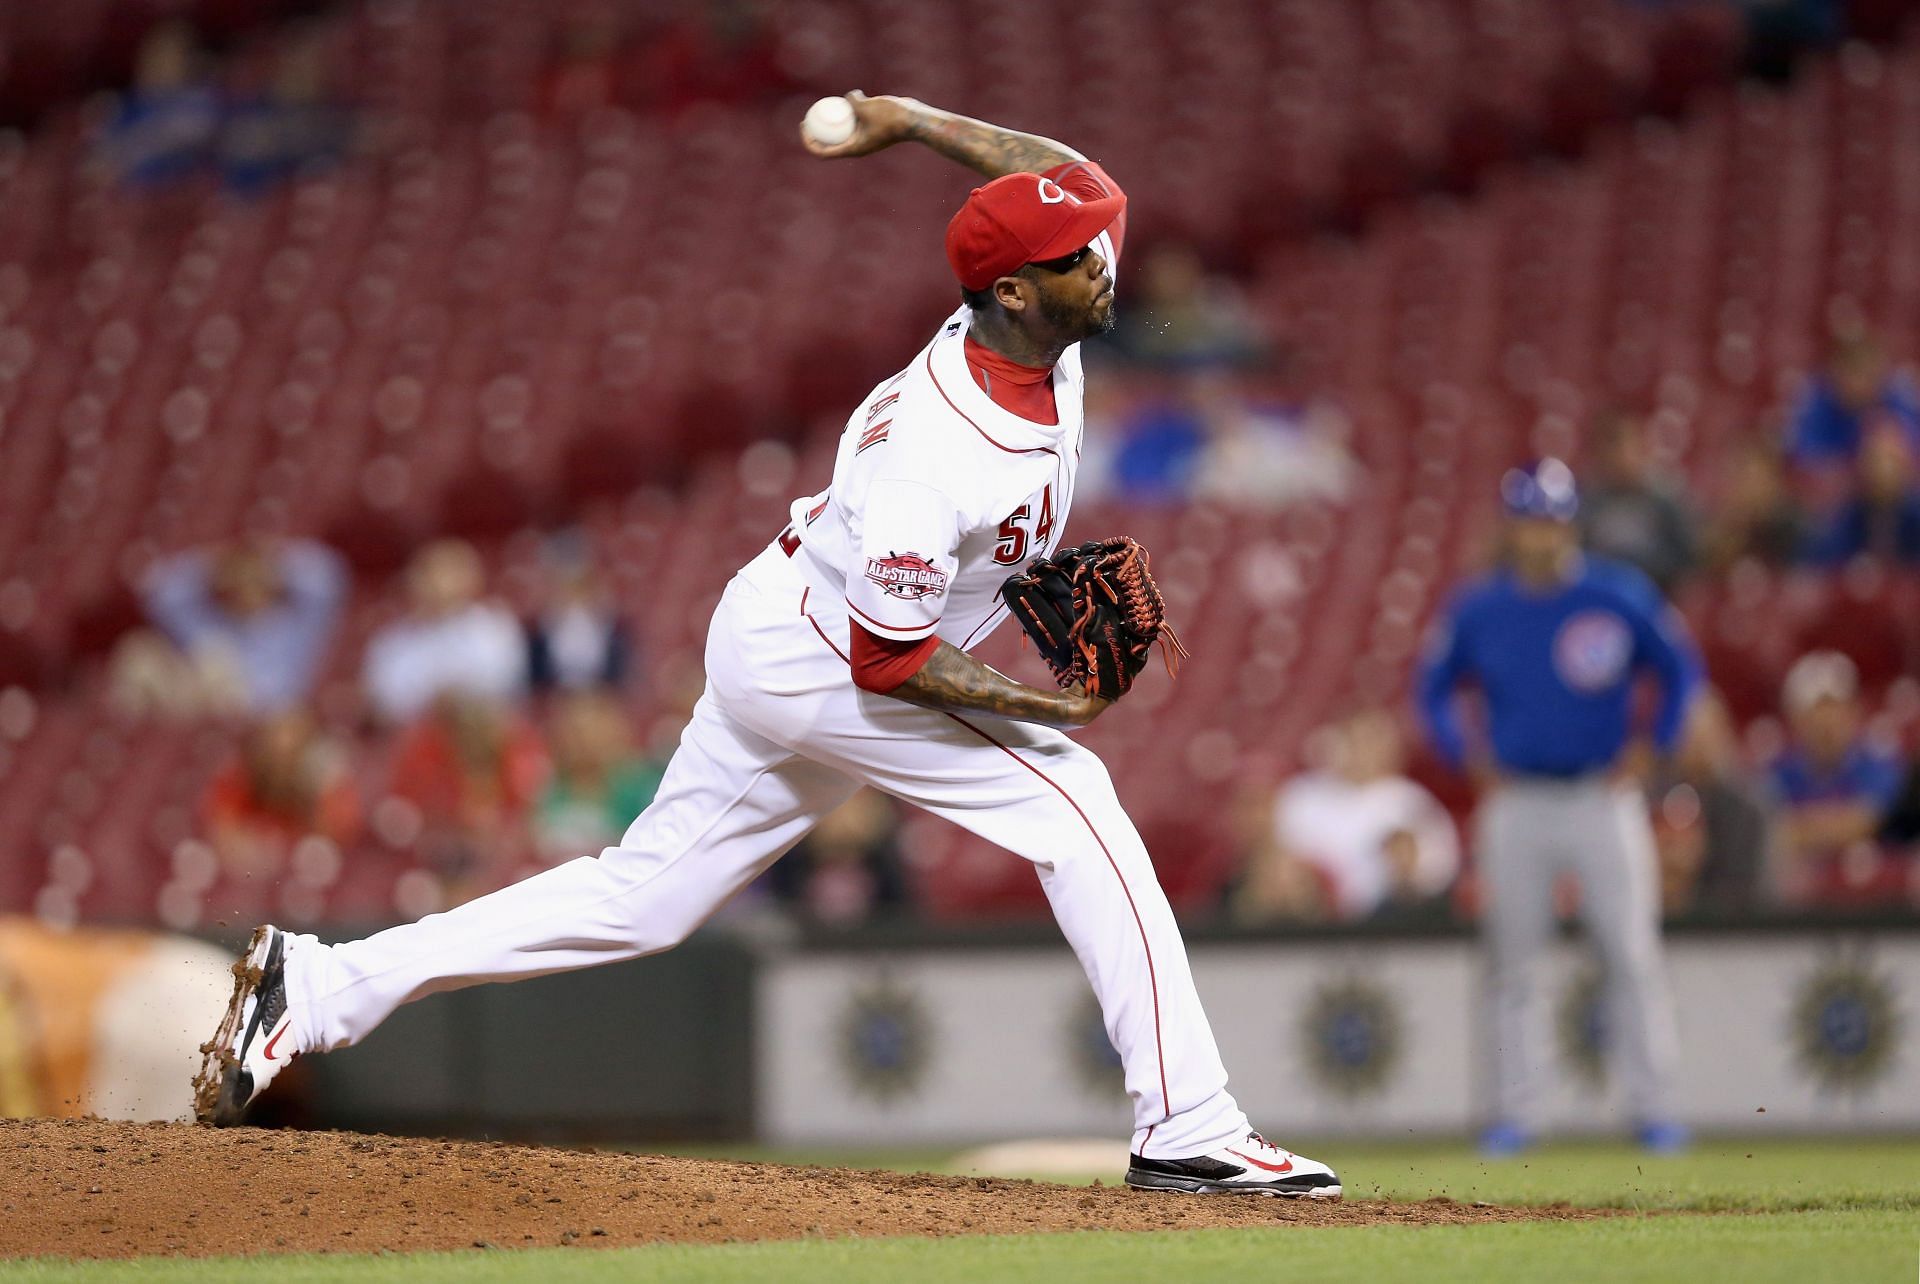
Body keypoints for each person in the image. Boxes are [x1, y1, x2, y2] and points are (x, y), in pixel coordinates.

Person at [199, 93, 1339, 1199]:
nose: (1107, 265)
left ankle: (319, 984)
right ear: (1012, 289)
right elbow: (886, 662)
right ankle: (1191, 1125)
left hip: (783, 616)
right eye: (1080, 259)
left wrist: (910, 121)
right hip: (826, 656)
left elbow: (1046, 163)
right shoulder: (939, 452)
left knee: (641, 899)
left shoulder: (1044, 314)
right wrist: (1058, 713)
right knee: (1075, 803)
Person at [1417, 459, 1700, 1156]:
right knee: (1513, 962)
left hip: (1602, 794)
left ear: (1568, 524)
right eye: (1527, 522)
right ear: (1510, 529)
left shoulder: (1615, 594)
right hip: (1518, 799)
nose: (1540, 536)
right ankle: (1516, 1115)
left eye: (1549, 521)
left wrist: (1653, 746)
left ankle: (1654, 1109)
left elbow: (1679, 668)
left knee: (1630, 953)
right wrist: (1466, 752)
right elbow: (1431, 690)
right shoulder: (1480, 606)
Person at [1235, 708, 1458, 923]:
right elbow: (1270, 864)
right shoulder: (1301, 796)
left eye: (1373, 741)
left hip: (1387, 926)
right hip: (1310, 924)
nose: (1364, 751)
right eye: (1356, 740)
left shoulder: (1414, 805)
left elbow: (1434, 879)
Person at [141, 538, 348, 716]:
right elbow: (160, 594)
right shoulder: (212, 628)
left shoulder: (295, 626)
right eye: (239, 584)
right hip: (224, 714)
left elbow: (328, 578)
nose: (248, 591)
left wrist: (272, 560)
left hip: (281, 716)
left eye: (256, 582)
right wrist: (216, 564)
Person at [1764, 651, 1908, 907]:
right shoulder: (1780, 772)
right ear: (1796, 718)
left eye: (1835, 709)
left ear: (1853, 712)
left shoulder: (1876, 763)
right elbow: (1772, 832)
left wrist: (1803, 831)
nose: (1827, 722)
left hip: (1876, 900)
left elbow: (1868, 821)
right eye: (1817, 711)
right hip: (1799, 902)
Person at [362, 540, 526, 725]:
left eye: (443, 573)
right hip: (415, 741)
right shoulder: (391, 641)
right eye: (424, 573)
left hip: (482, 732)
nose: (433, 583)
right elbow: (384, 703)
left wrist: (454, 696)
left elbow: (503, 681)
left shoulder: (493, 626)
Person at [200, 709, 361, 879]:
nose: (284, 747)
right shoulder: (243, 776)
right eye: (277, 739)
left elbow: (336, 836)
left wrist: (324, 787)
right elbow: (224, 832)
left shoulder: (322, 781)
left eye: (294, 741)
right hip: (258, 870)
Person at [531, 691, 664, 863]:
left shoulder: (635, 792)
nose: (582, 743)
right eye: (574, 733)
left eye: (589, 732)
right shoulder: (548, 792)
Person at [1576, 413, 1699, 594]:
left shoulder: (1664, 499)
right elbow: (1576, 559)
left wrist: (1638, 570)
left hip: (1657, 597)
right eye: (1612, 448)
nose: (1620, 458)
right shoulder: (1589, 501)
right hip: (1600, 602)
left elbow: (1687, 559)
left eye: (1627, 447)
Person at [1802, 422, 1920, 565]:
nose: (1883, 471)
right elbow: (1826, 556)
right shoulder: (1851, 513)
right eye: (1876, 461)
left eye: (1891, 461)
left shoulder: (1915, 512)